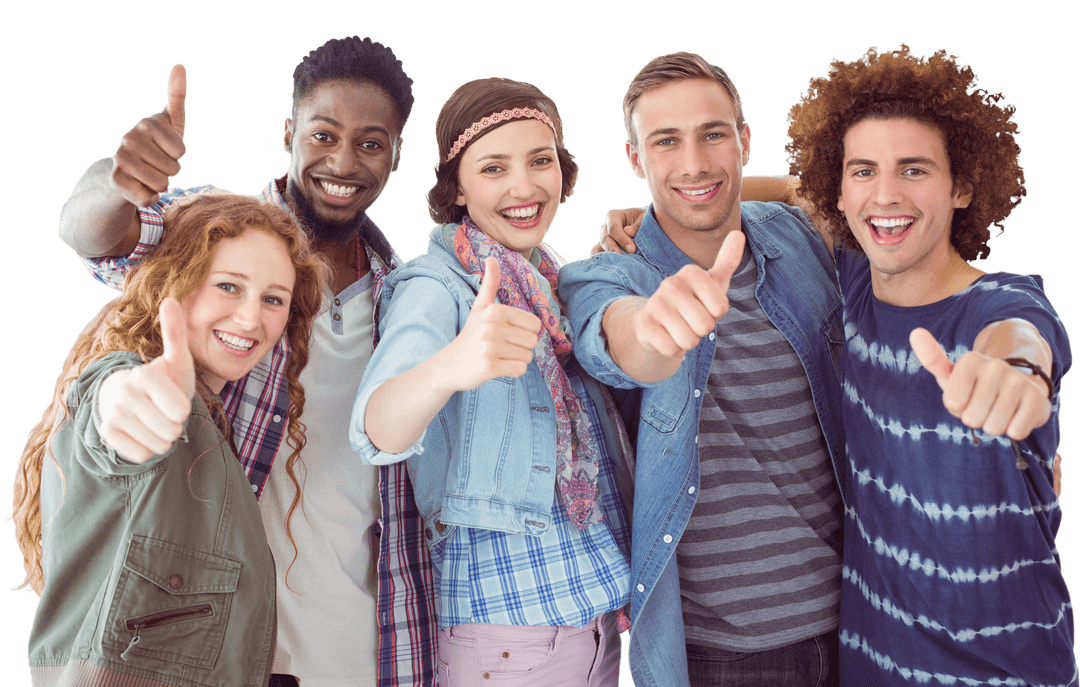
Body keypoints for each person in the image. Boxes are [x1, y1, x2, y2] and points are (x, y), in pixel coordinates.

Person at [56, 37, 436, 687]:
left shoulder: (412, 298)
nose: (342, 160)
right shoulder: (220, 231)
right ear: (290, 132)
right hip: (224, 654)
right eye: (323, 134)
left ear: (397, 157)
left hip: (373, 651)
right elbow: (94, 232)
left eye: (371, 143)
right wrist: (116, 180)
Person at [784, 44, 1075, 685]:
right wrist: (671, 206)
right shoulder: (852, 279)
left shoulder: (997, 304)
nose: (884, 195)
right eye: (862, 171)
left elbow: (1024, 340)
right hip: (868, 666)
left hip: (1004, 673)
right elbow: (797, 192)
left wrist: (1014, 379)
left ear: (962, 184)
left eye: (913, 170)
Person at [560, 52, 845, 686]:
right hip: (726, 657)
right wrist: (659, 329)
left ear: (745, 141)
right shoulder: (607, 274)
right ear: (635, 159)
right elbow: (619, 334)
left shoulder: (801, 238)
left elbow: (825, 188)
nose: (693, 164)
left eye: (713, 134)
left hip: (861, 623)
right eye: (665, 142)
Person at [349, 77, 634, 687]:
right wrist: (452, 365)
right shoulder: (437, 286)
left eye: (540, 161)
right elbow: (376, 428)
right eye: (493, 168)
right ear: (457, 187)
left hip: (593, 619)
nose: (524, 187)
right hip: (504, 637)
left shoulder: (557, 280)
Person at [12, 194, 327, 686]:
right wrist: (128, 406)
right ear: (174, 283)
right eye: (228, 286)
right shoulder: (133, 382)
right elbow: (115, 407)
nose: (250, 319)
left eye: (273, 299)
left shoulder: (215, 421)